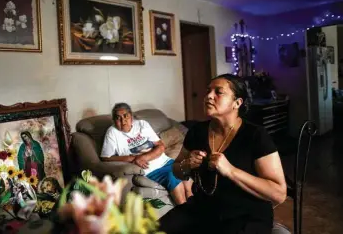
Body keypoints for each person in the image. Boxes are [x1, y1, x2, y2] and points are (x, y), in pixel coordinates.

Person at [159, 74, 287, 234]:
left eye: (218, 92)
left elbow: (279, 194)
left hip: (245, 215)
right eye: (208, 91)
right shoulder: (197, 131)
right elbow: (177, 170)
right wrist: (187, 165)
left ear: (237, 103)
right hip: (202, 208)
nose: (208, 96)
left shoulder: (255, 135)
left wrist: (231, 171)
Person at [100, 103, 193, 205]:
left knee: (185, 172)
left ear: (131, 116)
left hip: (166, 161)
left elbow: (160, 146)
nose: (123, 121)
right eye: (118, 118)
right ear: (114, 120)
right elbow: (106, 157)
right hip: (151, 169)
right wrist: (131, 158)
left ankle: (194, 210)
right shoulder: (112, 133)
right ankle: (185, 212)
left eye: (125, 116)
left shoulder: (142, 124)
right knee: (173, 176)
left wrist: (144, 157)